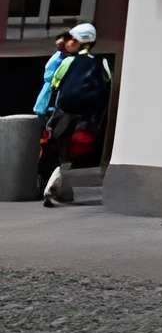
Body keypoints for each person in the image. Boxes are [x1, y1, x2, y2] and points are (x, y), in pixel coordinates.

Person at [39, 22, 110, 206]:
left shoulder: (68, 61)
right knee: (73, 153)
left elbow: (54, 83)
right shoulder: (100, 61)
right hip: (87, 116)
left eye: (71, 39)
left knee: (57, 149)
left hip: (65, 112)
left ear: (79, 42)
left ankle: (53, 184)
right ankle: (62, 187)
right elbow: (107, 82)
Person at [32, 33, 74, 119]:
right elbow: (48, 76)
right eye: (58, 45)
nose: (60, 47)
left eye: (62, 45)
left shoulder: (71, 57)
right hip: (54, 85)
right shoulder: (57, 58)